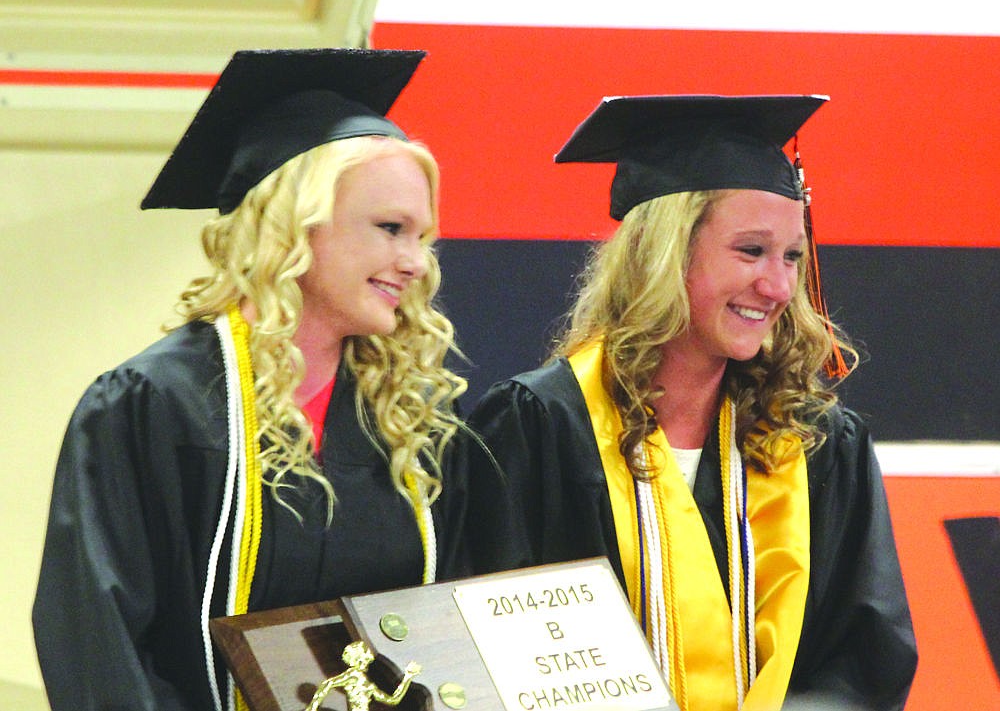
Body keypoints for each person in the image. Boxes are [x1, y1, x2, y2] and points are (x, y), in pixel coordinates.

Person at [33, 48, 470, 711]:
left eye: (422, 235)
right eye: (389, 229)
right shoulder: (155, 406)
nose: (415, 262)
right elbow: (101, 646)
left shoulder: (407, 420)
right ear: (293, 226)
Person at [465, 95, 917, 711]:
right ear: (664, 253)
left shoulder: (817, 443)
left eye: (791, 256)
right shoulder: (536, 427)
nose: (779, 286)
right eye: (751, 251)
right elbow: (496, 650)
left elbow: (867, 665)